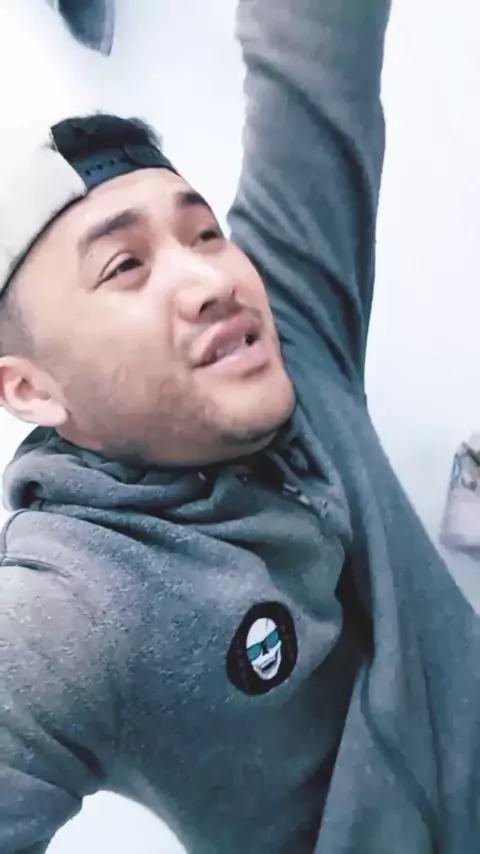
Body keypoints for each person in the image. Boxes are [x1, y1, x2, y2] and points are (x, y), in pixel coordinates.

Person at [0, 1, 478, 852]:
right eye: (124, 266)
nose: (210, 280)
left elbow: (315, 51)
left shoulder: (292, 331)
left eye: (204, 233)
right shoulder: (74, 609)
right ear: (30, 389)